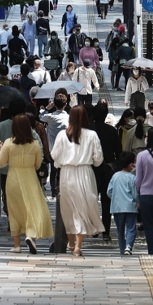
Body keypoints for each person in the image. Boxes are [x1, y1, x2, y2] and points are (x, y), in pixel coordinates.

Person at [50, 106, 105, 257]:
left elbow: (55, 155)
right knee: (82, 208)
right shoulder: (92, 135)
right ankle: (78, 246)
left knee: (68, 208)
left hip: (66, 173)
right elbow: (98, 159)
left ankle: (72, 242)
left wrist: (61, 163)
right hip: (85, 172)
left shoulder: (62, 134)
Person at [0, 115, 54, 254]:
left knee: (14, 210)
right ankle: (31, 235)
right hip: (30, 178)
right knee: (31, 208)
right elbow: (38, 164)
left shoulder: (8, 143)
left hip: (13, 178)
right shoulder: (34, 144)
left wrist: (0, 148)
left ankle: (17, 245)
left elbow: (0, 163)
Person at [91, 100, 121, 241]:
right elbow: (118, 152)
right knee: (106, 200)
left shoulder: (89, 130)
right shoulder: (112, 131)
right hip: (108, 168)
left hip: (91, 168)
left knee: (92, 198)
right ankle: (106, 231)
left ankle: (94, 228)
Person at [108, 152, 140, 255]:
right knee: (131, 228)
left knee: (120, 229)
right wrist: (138, 201)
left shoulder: (115, 176)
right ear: (131, 164)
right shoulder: (132, 178)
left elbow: (109, 191)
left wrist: (115, 197)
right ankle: (128, 246)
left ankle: (122, 249)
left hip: (117, 207)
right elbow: (135, 194)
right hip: (130, 206)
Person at [40, 94, 71, 197]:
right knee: (63, 170)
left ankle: (53, 190)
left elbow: (40, 117)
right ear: (66, 104)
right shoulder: (68, 118)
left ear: (54, 104)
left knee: (53, 170)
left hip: (52, 148)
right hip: (65, 148)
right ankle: (62, 189)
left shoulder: (50, 117)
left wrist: (47, 108)